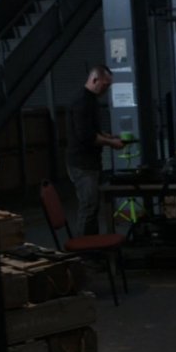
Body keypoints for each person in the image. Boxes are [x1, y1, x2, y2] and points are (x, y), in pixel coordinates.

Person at [66, 65, 125, 236]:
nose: (107, 89)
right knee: (89, 208)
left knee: (92, 207)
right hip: (82, 165)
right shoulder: (81, 102)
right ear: (94, 80)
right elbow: (87, 136)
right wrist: (111, 143)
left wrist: (109, 136)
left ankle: (93, 247)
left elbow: (93, 131)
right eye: (105, 85)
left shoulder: (90, 100)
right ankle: (86, 252)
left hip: (89, 163)